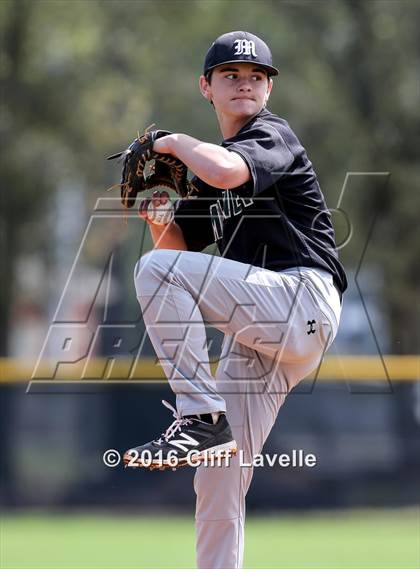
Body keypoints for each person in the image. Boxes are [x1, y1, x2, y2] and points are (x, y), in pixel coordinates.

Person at [125, 31, 347, 569]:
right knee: (218, 474)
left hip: (301, 300)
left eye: (256, 76)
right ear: (207, 86)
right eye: (231, 75)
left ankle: (199, 413)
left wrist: (171, 142)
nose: (245, 83)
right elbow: (175, 249)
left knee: (155, 272)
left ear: (268, 89)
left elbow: (226, 171)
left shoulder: (271, 135)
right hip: (262, 331)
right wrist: (152, 205)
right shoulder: (209, 179)